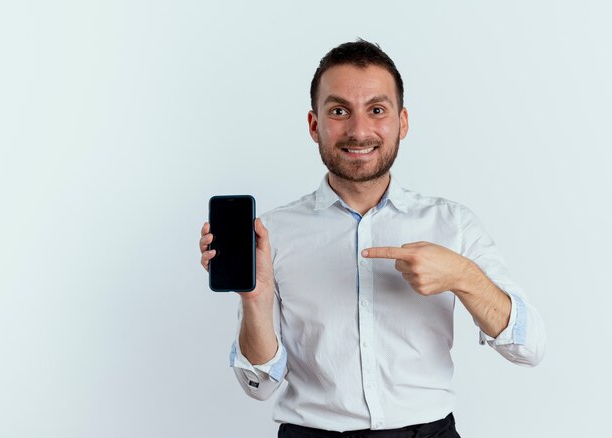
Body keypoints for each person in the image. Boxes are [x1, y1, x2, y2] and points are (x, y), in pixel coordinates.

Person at [199, 40, 545, 437]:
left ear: (403, 121)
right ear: (315, 125)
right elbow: (258, 385)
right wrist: (255, 299)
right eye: (339, 111)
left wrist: (463, 277)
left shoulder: (454, 224)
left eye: (377, 110)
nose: (359, 130)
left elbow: (529, 348)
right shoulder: (272, 233)